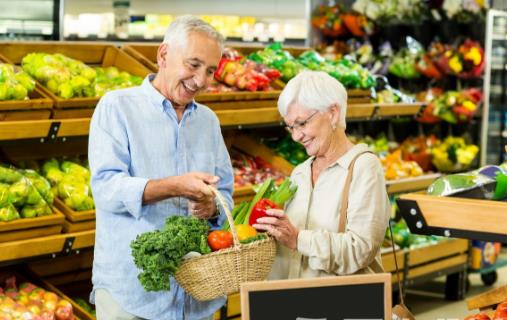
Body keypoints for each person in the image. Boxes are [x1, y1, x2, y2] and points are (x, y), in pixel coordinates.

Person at [88, 15, 233, 320]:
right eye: (193, 65)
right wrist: (174, 186)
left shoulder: (208, 121)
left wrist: (212, 207)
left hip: (196, 297)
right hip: (132, 295)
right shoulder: (117, 108)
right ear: (163, 55)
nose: (201, 80)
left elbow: (226, 195)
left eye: (210, 71)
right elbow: (105, 189)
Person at [253, 70, 390, 279]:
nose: (296, 136)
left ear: (333, 113)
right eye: (290, 127)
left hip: (338, 306)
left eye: (302, 123)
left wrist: (299, 239)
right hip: (293, 302)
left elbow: (362, 249)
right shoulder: (299, 173)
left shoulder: (364, 167)